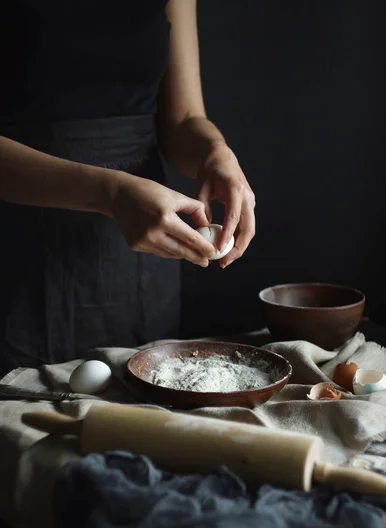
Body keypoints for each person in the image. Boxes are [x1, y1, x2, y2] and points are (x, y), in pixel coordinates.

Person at [0, 0, 255, 377]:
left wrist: (214, 152)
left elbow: (183, 118)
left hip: (134, 260)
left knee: (135, 407)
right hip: (15, 241)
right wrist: (112, 194)